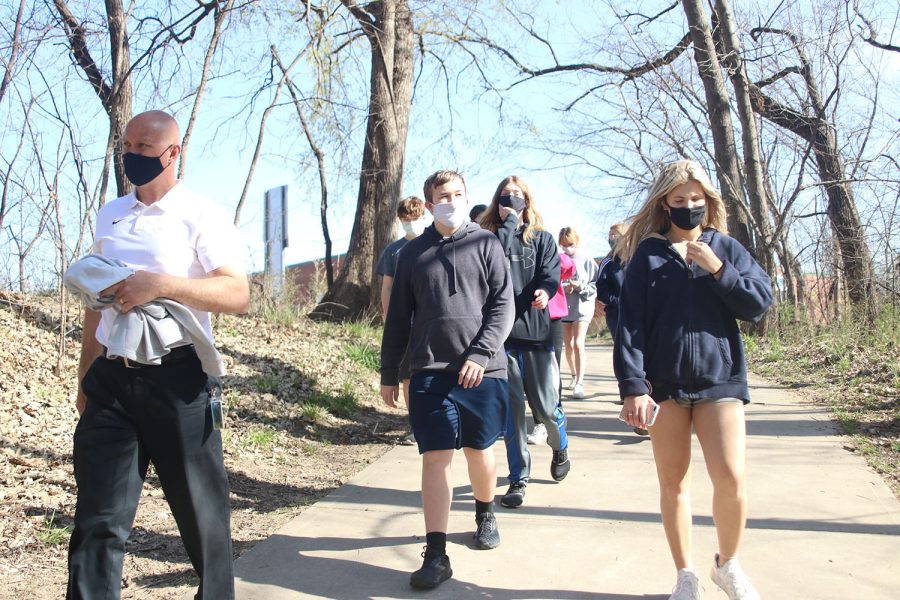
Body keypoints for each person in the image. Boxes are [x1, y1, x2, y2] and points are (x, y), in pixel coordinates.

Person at [66, 110, 249, 600]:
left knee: (202, 518)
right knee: (98, 519)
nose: (132, 155)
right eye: (127, 145)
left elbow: (237, 294)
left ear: (173, 153)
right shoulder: (112, 213)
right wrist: (87, 374)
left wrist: (161, 285)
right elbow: (96, 302)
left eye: (144, 148)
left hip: (179, 380)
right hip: (112, 380)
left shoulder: (201, 214)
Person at [614, 159, 772, 600]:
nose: (689, 207)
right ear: (665, 203)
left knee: (731, 477)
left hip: (719, 380)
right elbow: (630, 326)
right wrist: (633, 386)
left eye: (696, 200)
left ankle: (728, 565)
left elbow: (758, 304)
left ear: (708, 201)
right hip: (662, 385)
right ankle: (685, 575)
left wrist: (719, 269)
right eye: (680, 200)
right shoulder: (647, 254)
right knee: (673, 482)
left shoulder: (726, 246)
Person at [380, 170, 513, 590]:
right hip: (430, 371)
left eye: (458, 194)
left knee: (480, 450)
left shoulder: (486, 243)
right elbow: (398, 319)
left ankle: (485, 512)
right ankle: (436, 553)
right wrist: (391, 372)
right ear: (429, 203)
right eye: (443, 196)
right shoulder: (412, 255)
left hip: (484, 371)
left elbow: (503, 306)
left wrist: (480, 353)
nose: (451, 201)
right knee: (435, 457)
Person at [479, 175, 570, 509]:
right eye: (505, 196)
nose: (511, 200)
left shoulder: (544, 239)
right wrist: (508, 223)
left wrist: (544, 293)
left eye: (517, 196)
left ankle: (560, 446)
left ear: (528, 201)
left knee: (546, 409)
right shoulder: (486, 236)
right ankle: (519, 478)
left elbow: (550, 274)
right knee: (512, 415)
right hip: (501, 339)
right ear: (496, 201)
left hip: (536, 334)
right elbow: (490, 262)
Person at [376, 196, 428, 445]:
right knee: (408, 376)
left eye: (414, 219)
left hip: (430, 323)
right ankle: (417, 426)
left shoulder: (432, 245)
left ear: (423, 217)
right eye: (405, 220)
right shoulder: (393, 251)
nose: (410, 224)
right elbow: (386, 287)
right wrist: (389, 317)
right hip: (404, 324)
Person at [597, 222, 649, 434]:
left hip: (642, 315)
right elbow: (601, 290)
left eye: (616, 235)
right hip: (617, 315)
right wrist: (620, 301)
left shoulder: (640, 256)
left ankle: (646, 397)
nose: (612, 239)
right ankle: (628, 393)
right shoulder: (608, 262)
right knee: (624, 353)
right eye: (610, 236)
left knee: (645, 356)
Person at [528, 249, 575, 445]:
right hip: (526, 318)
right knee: (531, 375)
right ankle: (540, 421)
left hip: (552, 318)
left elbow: (568, 267)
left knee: (552, 371)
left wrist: (548, 251)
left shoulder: (549, 251)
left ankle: (557, 416)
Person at [559, 226, 598, 399]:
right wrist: (564, 287)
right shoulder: (559, 259)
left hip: (583, 306)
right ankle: (574, 375)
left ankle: (580, 382)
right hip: (564, 307)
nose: (567, 248)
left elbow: (595, 287)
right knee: (567, 345)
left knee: (578, 344)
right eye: (563, 245)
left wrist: (579, 286)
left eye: (570, 244)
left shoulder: (587, 260)